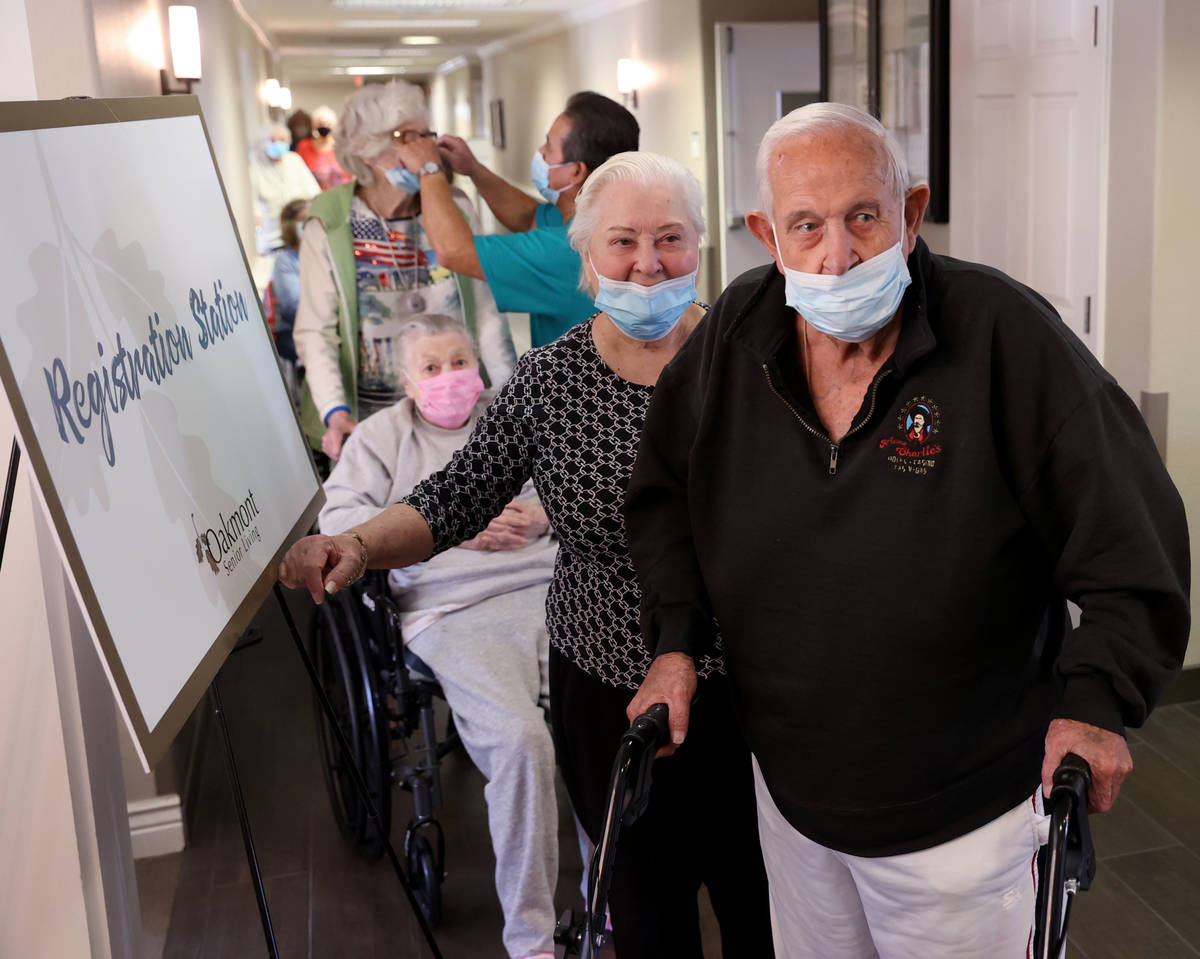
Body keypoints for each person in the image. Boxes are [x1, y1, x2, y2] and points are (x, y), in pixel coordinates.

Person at [623, 103, 1190, 957]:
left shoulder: (1005, 334)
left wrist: (1097, 703)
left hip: (965, 816)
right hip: (791, 794)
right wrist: (673, 640)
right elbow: (662, 490)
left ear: (911, 213)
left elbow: (1130, 529)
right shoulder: (737, 334)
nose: (838, 254)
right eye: (806, 225)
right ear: (766, 235)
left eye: (864, 216)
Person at [279, 152, 775, 958]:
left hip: (747, 690)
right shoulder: (551, 380)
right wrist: (356, 542)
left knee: (763, 910)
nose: (648, 263)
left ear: (700, 247)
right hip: (606, 687)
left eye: (671, 239)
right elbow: (453, 498)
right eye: (623, 241)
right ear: (585, 257)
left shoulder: (754, 357)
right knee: (647, 916)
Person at [320, 314, 559, 959]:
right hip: (451, 609)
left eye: (460, 361)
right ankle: (532, 940)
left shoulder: (514, 417)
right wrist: (437, 530)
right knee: (520, 741)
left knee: (608, 717)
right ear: (405, 380)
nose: (451, 377)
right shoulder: (378, 441)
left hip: (551, 589)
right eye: (432, 367)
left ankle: (607, 893)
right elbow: (340, 522)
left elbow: (582, 485)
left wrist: (541, 515)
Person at [292, 79, 516, 463]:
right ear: (366, 150)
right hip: (369, 426)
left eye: (425, 134)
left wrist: (513, 404)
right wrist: (335, 412)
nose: (426, 147)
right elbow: (317, 331)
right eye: (407, 136)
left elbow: (485, 313)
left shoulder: (454, 207)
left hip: (456, 420)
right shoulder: (331, 219)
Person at [391, 91, 638, 347]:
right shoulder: (599, 220)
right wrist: (473, 169)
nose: (540, 152)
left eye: (548, 146)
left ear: (575, 171)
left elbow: (454, 251)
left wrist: (430, 170)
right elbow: (528, 215)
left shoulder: (569, 249)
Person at [248, 124, 319, 256]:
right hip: (272, 237)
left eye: (282, 140)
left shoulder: (294, 160)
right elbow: (251, 200)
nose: (278, 144)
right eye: (273, 140)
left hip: (299, 235)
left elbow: (313, 191)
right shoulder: (256, 165)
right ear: (264, 143)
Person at [296, 104, 352, 191]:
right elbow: (298, 174)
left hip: (341, 195)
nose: (324, 126)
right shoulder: (304, 146)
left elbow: (353, 174)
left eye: (328, 124)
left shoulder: (343, 146)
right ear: (313, 125)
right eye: (320, 124)